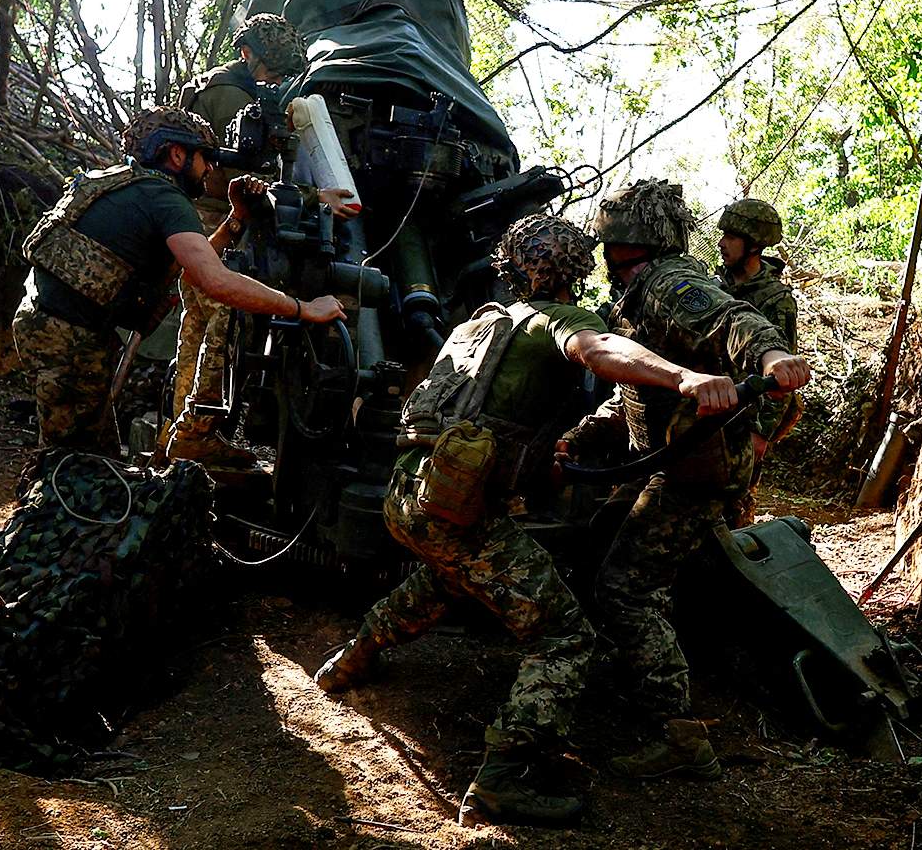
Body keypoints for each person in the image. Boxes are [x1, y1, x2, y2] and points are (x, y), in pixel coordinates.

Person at [312, 214, 741, 826]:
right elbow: (599, 350)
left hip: (410, 494)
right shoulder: (558, 319)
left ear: (511, 269)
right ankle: (501, 780)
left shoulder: (480, 323)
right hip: (456, 510)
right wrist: (685, 376)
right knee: (565, 634)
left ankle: (354, 657)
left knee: (447, 576)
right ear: (579, 270)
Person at [565, 179, 810, 782]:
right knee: (604, 541)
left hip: (695, 469)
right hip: (668, 461)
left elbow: (735, 318)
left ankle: (678, 733)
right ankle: (638, 666)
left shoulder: (669, 283)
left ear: (625, 240)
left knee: (624, 588)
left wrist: (770, 359)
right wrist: (584, 434)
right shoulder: (641, 288)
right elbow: (634, 388)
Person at [10, 106, 346, 449]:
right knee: (69, 462)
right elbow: (215, 281)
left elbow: (192, 266)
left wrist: (236, 220)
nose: (211, 169)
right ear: (176, 154)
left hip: (52, 324)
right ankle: (42, 499)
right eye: (205, 158)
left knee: (95, 454)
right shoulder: (166, 199)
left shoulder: (130, 184)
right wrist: (303, 308)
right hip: (66, 335)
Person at [164, 13, 338, 466]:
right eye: (271, 71)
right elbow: (231, 173)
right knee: (219, 317)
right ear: (248, 56)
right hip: (212, 218)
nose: (275, 82)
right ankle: (197, 429)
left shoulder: (236, 88)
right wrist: (308, 193)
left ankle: (182, 429)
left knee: (200, 324)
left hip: (219, 218)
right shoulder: (227, 94)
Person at [714, 198, 801, 522]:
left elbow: (782, 376)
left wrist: (761, 433)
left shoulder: (776, 301)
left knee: (734, 510)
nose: (721, 244)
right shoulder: (715, 287)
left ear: (753, 245)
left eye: (731, 237)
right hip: (711, 410)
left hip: (745, 419)